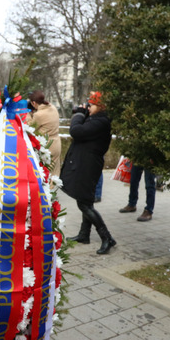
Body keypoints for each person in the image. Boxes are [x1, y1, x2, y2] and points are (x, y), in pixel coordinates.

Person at [60, 91, 117, 254]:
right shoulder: (96, 119)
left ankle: (107, 238)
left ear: (100, 106)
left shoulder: (101, 121)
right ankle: (84, 234)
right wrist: (83, 113)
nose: (88, 108)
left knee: (84, 203)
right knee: (86, 200)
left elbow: (76, 131)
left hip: (89, 166)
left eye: (91, 105)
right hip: (86, 164)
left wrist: (78, 114)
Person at [28, 90, 62, 179]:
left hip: (47, 144)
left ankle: (47, 192)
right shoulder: (53, 108)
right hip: (56, 142)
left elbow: (30, 128)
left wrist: (27, 114)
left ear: (34, 103)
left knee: (45, 173)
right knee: (54, 173)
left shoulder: (39, 115)